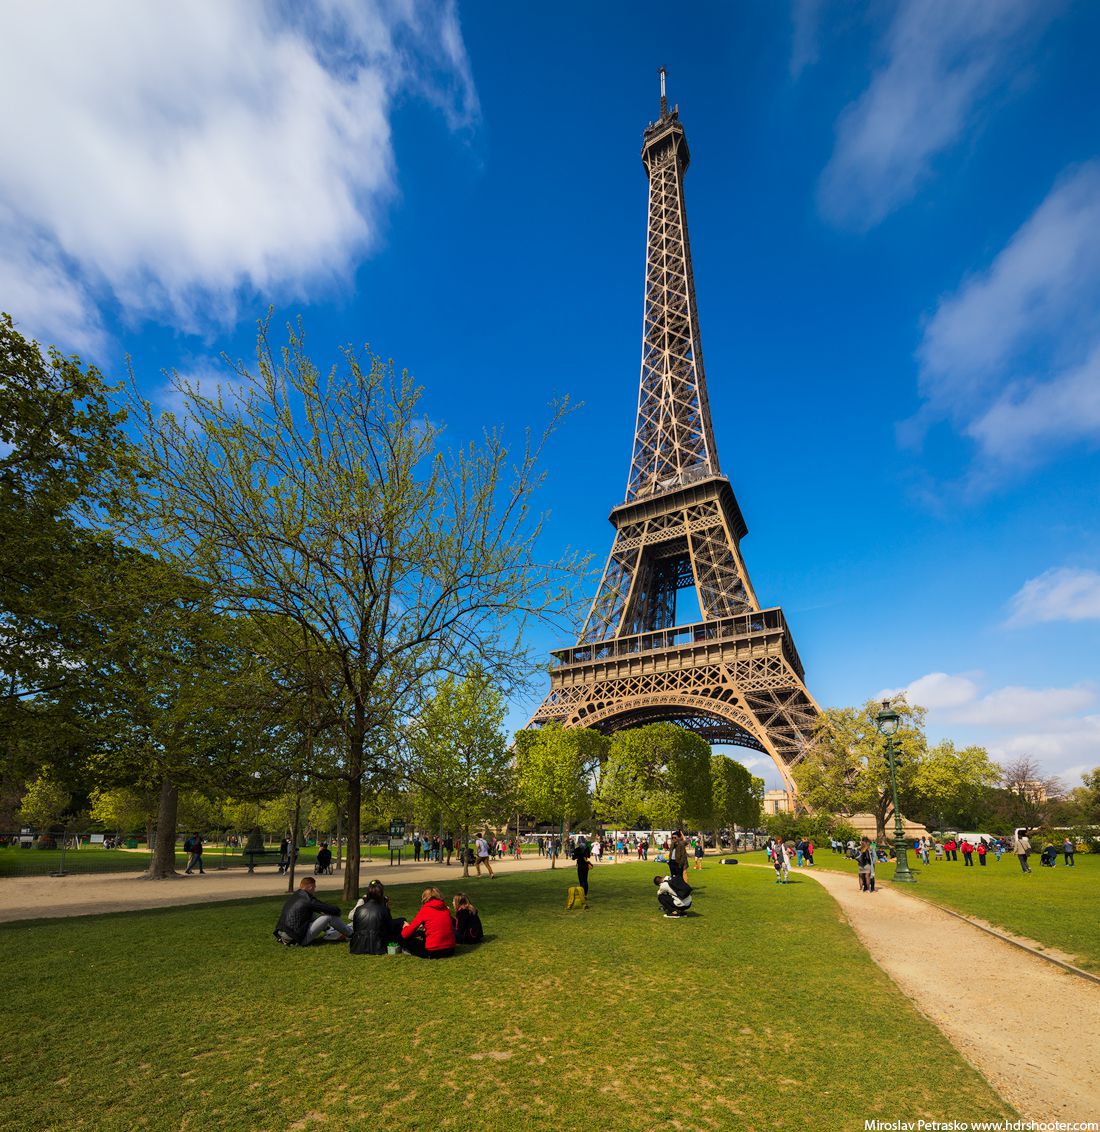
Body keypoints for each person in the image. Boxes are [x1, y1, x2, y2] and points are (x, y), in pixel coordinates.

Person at [274, 876, 352, 946]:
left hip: (282, 934)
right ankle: (352, 934)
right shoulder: (308, 899)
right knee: (329, 916)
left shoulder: (295, 895)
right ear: (311, 887)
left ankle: (328, 929)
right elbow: (334, 910)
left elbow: (318, 908)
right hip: (295, 939)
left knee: (311, 912)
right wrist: (334, 912)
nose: (314, 890)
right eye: (314, 888)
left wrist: (321, 910)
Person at [349, 880, 404, 955]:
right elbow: (390, 929)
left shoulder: (359, 909)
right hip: (378, 946)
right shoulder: (383, 909)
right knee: (401, 921)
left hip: (357, 945)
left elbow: (355, 929)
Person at [401, 887, 456, 958]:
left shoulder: (425, 910)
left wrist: (405, 926)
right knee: (421, 933)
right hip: (450, 949)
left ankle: (409, 950)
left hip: (433, 951)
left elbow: (405, 934)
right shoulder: (445, 908)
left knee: (404, 939)